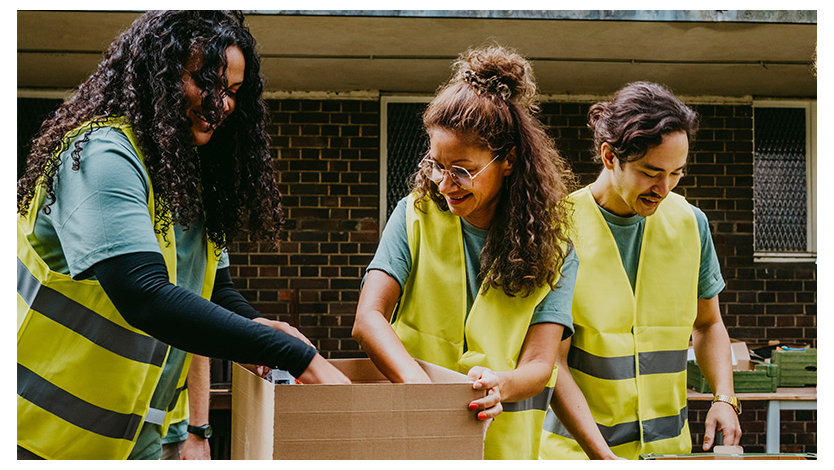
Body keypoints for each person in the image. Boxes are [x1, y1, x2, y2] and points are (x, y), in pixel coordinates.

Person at [16, 10, 349, 461]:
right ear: (159, 73)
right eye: (206, 84)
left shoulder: (189, 177)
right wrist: (293, 355)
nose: (222, 104)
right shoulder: (99, 154)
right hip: (36, 435)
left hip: (136, 443)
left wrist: (253, 325)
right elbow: (144, 293)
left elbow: (214, 291)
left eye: (231, 92)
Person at [352, 45, 578, 459]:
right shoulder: (413, 216)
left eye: (462, 169)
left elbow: (541, 362)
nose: (444, 182)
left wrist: (501, 385)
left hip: (503, 448)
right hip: (412, 436)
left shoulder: (554, 249)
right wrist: (423, 395)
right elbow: (369, 319)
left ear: (508, 160)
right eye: (436, 164)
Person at [539, 81, 742, 459]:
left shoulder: (691, 223)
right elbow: (553, 362)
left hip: (669, 454)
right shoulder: (557, 228)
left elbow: (708, 323)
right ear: (609, 156)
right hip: (576, 456)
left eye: (676, 173)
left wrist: (724, 398)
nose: (663, 188)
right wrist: (604, 458)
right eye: (651, 172)